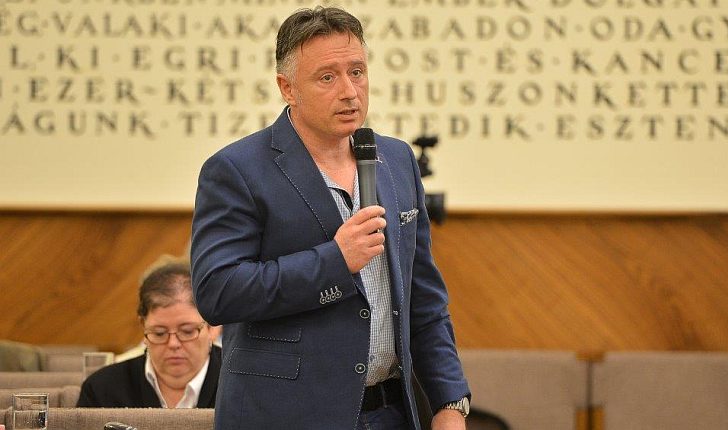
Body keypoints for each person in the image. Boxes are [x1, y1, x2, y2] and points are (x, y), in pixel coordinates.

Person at [190, 6, 470, 429]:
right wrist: (335, 261)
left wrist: (450, 402)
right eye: (327, 77)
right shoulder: (237, 169)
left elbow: (423, 297)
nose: (349, 91)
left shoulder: (396, 160)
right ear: (287, 88)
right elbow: (218, 292)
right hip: (286, 417)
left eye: (357, 72)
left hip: (391, 413)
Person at [77, 261, 222, 408]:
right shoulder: (102, 389)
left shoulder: (236, 383)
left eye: (187, 331)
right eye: (159, 333)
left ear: (213, 327)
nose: (173, 344)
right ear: (143, 326)